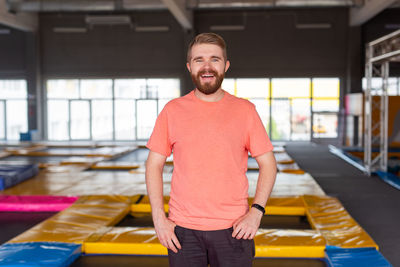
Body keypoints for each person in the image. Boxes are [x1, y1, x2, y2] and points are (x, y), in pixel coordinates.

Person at [145, 32, 277, 267]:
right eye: (199, 60)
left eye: (214, 59)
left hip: (234, 230)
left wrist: (256, 212)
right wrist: (158, 218)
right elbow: (153, 164)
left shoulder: (245, 111)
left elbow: (269, 164)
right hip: (182, 231)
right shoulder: (172, 110)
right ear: (189, 66)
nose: (207, 67)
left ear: (225, 65)